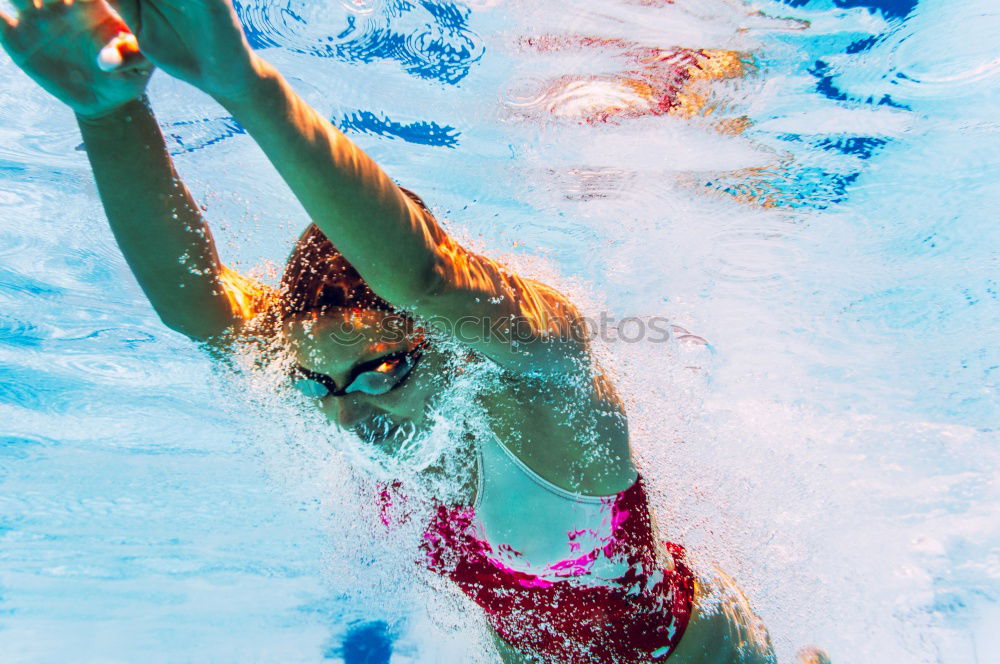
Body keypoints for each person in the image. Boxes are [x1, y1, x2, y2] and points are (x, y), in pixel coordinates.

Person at [0, 0, 813, 662]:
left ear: (454, 341)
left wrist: (244, 86)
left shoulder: (544, 385)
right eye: (320, 385)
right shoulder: (341, 384)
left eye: (383, 375)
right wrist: (107, 113)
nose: (348, 416)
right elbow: (196, 305)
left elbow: (425, 276)